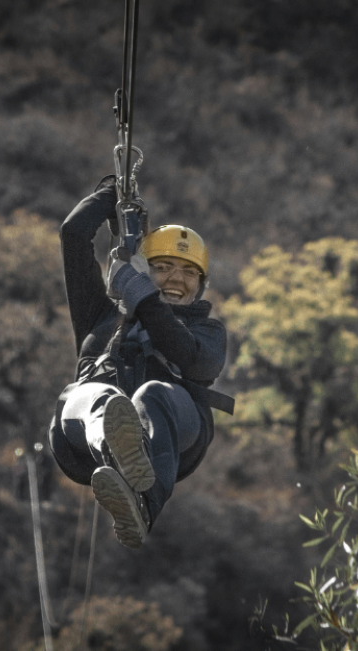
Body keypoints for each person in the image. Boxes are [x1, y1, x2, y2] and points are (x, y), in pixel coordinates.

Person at [49, 175, 232, 549]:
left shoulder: (208, 331)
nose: (176, 279)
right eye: (163, 267)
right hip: (84, 442)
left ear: (201, 285)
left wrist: (140, 294)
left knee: (152, 394)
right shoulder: (100, 315)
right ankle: (116, 451)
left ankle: (143, 503)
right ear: (143, 268)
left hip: (171, 437)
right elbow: (74, 234)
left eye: (188, 272)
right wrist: (112, 194)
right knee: (97, 394)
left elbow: (192, 359)